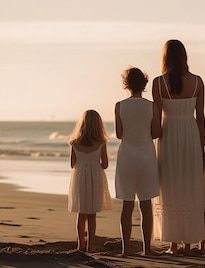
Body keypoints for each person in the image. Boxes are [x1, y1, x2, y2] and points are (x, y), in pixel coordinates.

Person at [152, 39, 205, 255]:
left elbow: (156, 119)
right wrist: (201, 147)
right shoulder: (198, 81)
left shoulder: (158, 83)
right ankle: (188, 243)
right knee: (190, 185)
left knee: (170, 184)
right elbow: (200, 117)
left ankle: (173, 245)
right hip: (191, 134)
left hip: (169, 134)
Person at [114, 67, 162, 256]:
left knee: (127, 205)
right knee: (146, 204)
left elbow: (119, 134)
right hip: (146, 158)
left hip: (126, 157)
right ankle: (146, 248)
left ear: (126, 84)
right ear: (144, 83)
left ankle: (125, 249)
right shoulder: (152, 106)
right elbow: (156, 132)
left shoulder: (119, 105)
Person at [67, 109, 113, 252]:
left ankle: (80, 244)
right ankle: (91, 245)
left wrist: (84, 163)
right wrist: (94, 164)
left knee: (81, 214)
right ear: (99, 125)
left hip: (80, 178)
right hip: (95, 178)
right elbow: (105, 164)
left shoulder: (74, 143)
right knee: (92, 214)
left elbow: (72, 164)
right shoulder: (101, 143)